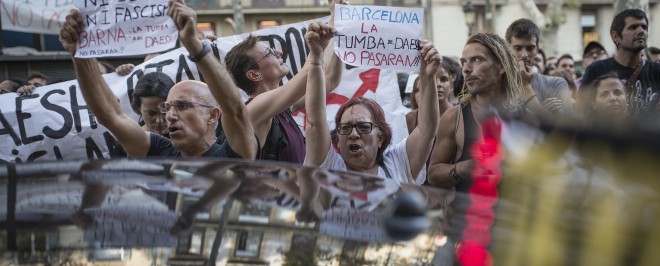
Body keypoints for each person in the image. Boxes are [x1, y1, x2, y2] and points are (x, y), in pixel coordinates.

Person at [58, 3, 258, 159]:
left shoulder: (235, 155)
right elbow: (110, 114)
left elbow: (235, 109)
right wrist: (80, 52)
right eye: (168, 107)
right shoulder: (157, 151)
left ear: (213, 115)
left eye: (182, 105)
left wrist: (193, 44)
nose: (170, 115)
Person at [303, 22, 441, 184]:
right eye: (345, 128)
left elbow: (427, 130)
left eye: (363, 127)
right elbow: (314, 122)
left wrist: (427, 76)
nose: (353, 134)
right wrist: (316, 59)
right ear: (337, 140)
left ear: (380, 137)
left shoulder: (398, 165)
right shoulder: (328, 166)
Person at [223, 0, 346, 164]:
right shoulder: (253, 110)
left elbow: (329, 79)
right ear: (254, 75)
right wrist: (320, 45)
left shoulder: (283, 109)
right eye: (269, 53)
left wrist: (337, 22)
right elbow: (310, 73)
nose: (279, 52)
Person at [428, 33, 526, 191]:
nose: (466, 69)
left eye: (476, 60)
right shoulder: (454, 117)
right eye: (463, 62)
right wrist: (463, 168)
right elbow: (433, 175)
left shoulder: (524, 117)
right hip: (466, 214)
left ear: (500, 66)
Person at [579, 9, 660, 120]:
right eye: (633, 27)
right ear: (616, 36)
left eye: (644, 27)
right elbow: (583, 112)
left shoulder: (657, 71)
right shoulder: (596, 69)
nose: (641, 31)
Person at [505, 19, 573, 115]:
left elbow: (567, 127)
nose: (524, 54)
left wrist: (526, 88)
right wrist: (544, 111)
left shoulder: (555, 84)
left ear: (537, 50)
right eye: (518, 48)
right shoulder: (497, 86)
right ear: (507, 49)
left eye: (530, 48)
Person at [110, 72, 175, 157]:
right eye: (151, 113)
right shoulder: (125, 145)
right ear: (138, 108)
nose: (159, 120)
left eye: (165, 111)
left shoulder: (185, 139)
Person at [405, 59, 454, 134]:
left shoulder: (461, 115)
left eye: (444, 79)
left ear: (451, 86)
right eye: (432, 79)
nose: (438, 84)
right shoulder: (411, 118)